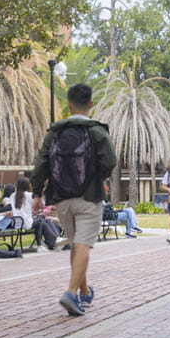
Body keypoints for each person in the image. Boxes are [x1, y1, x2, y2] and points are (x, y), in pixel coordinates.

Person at [30, 83, 117, 317]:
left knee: (76, 243)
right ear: (91, 104)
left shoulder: (54, 133)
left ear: (69, 105)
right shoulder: (97, 132)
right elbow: (110, 160)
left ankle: (85, 291)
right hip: (89, 198)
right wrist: (98, 177)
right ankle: (70, 292)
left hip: (62, 199)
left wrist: (37, 194)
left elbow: (40, 164)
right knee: (83, 245)